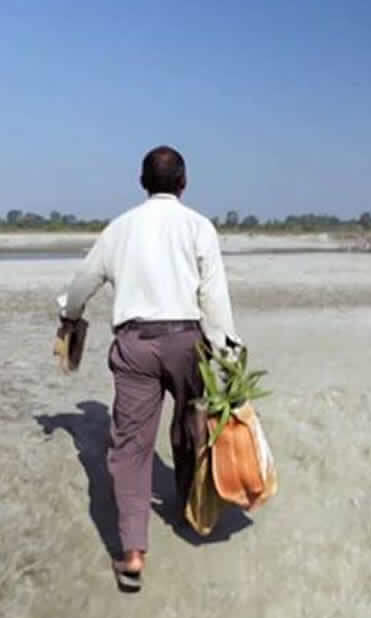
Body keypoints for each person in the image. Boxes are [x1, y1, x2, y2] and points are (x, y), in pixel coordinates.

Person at [54, 145, 241, 591]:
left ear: (142, 183)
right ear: (183, 182)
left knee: (131, 448)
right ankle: (192, 511)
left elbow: (83, 283)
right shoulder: (199, 227)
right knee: (193, 426)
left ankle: (133, 552)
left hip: (135, 344)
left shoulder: (120, 228)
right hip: (187, 339)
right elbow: (213, 298)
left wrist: (70, 314)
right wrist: (228, 351)